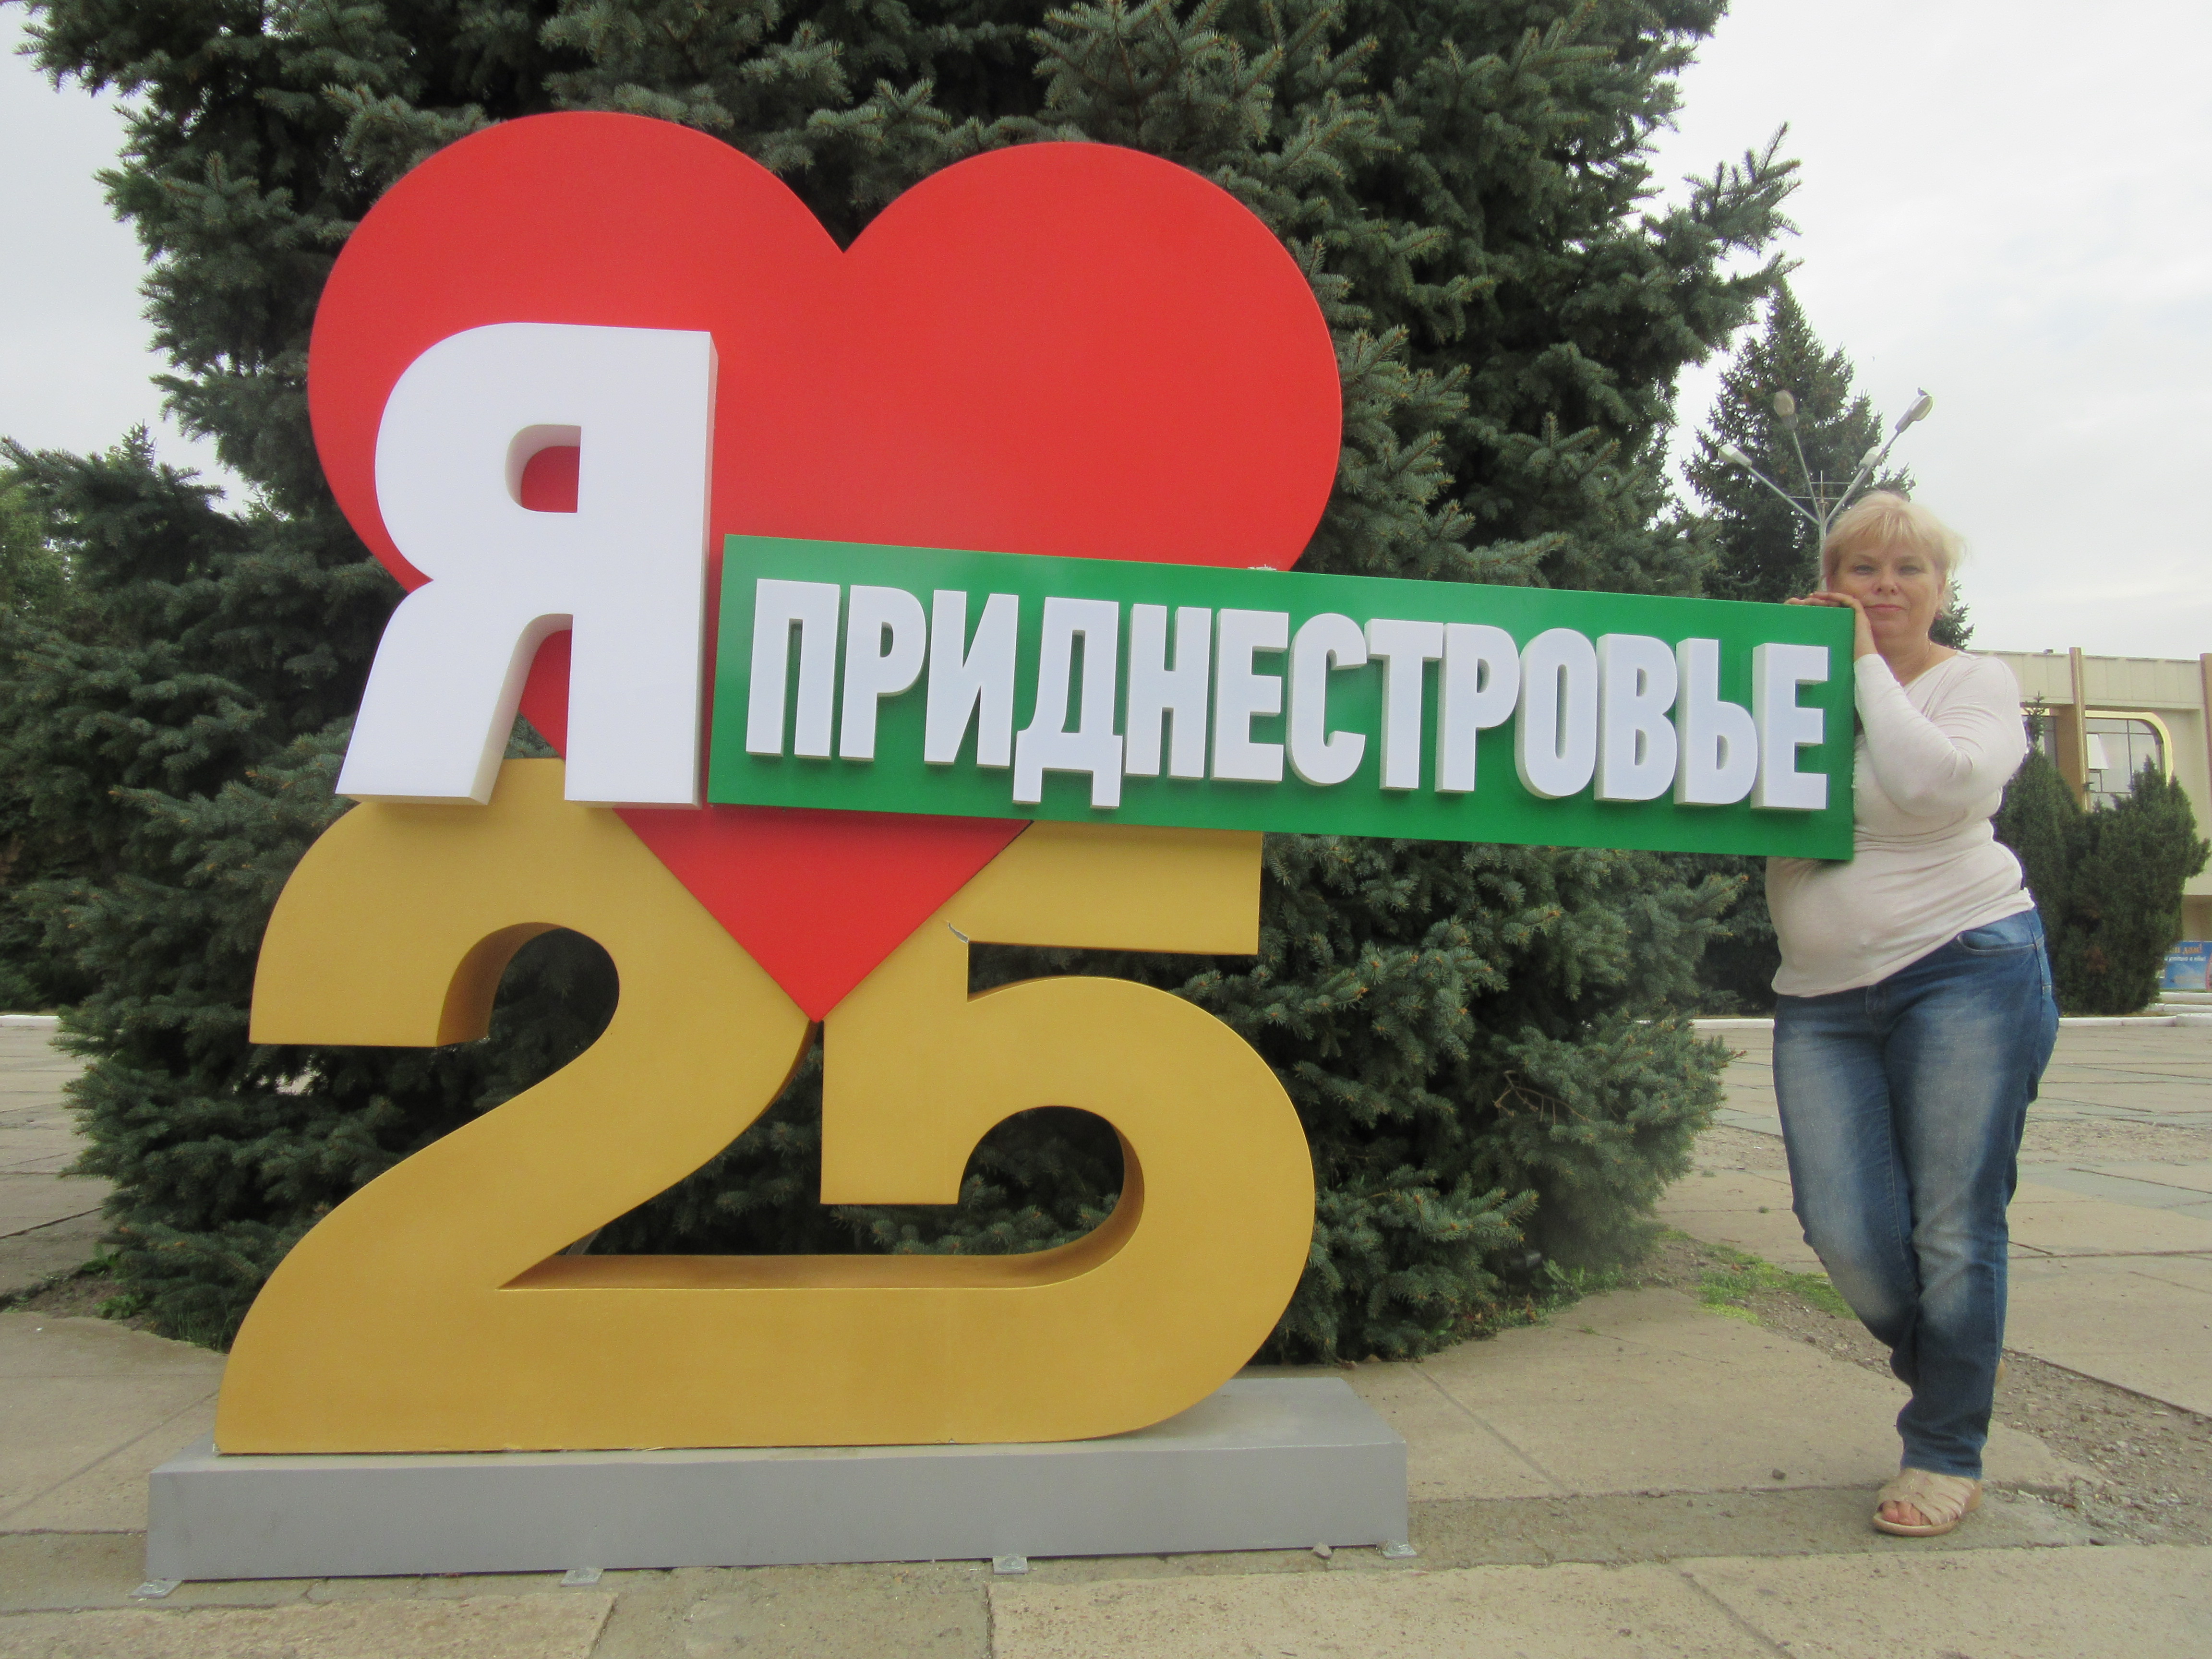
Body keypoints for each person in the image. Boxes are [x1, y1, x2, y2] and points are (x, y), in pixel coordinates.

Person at [1771, 491, 2058, 1538]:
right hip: (1820, 998)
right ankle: (1955, 1374)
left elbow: (1938, 785)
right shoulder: (1790, 684)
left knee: (1953, 1222)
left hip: (1967, 968)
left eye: (1908, 570)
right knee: (1841, 1228)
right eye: (1863, 569)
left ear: (1941, 589)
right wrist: (1781, 664)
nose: (1886, 587)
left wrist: (1861, 666)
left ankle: (1944, 1447)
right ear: (1832, 582)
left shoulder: (1975, 683)